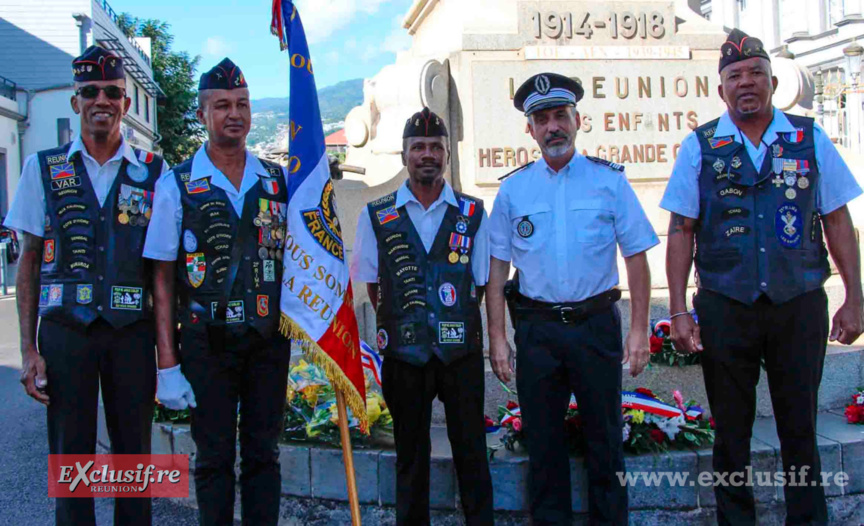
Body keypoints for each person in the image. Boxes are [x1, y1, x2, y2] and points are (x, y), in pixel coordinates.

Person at [661, 29, 864, 525]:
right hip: (725, 306)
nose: (745, 83)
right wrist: (679, 310)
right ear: (720, 89)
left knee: (800, 430)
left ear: (772, 82)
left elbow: (837, 220)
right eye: (734, 76)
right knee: (731, 434)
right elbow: (681, 229)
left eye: (755, 74)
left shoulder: (808, 137)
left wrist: (855, 299)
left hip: (798, 304)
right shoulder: (700, 146)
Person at [486, 73, 659, 525]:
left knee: (605, 440)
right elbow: (497, 268)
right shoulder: (513, 190)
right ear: (529, 130)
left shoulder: (610, 182)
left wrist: (639, 330)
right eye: (541, 119)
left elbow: (637, 257)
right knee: (543, 446)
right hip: (538, 330)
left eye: (560, 116)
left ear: (578, 120)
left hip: (595, 326)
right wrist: (498, 337)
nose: (552, 127)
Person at [5, 45, 167, 526]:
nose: (102, 100)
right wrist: (28, 350)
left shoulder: (152, 173)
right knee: (70, 463)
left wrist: (167, 354)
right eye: (90, 91)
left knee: (133, 460)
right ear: (76, 102)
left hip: (131, 333)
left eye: (113, 92)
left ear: (126, 102)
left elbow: (163, 271)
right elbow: (28, 260)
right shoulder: (42, 167)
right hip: (65, 334)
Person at [143, 58, 292, 526]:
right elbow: (162, 278)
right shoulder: (177, 183)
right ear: (202, 114)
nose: (235, 114)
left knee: (264, 456)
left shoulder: (277, 180)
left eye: (243, 104)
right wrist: (167, 363)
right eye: (223, 105)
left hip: (268, 341)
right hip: (207, 343)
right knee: (213, 460)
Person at [350, 108, 494, 525]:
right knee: (410, 457)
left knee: (471, 453)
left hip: (460, 356)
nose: (427, 154)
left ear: (447, 154)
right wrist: (407, 319)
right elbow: (373, 283)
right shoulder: (375, 216)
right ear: (404, 155)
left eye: (435, 146)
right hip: (404, 357)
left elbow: (480, 280)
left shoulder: (472, 213)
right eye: (418, 147)